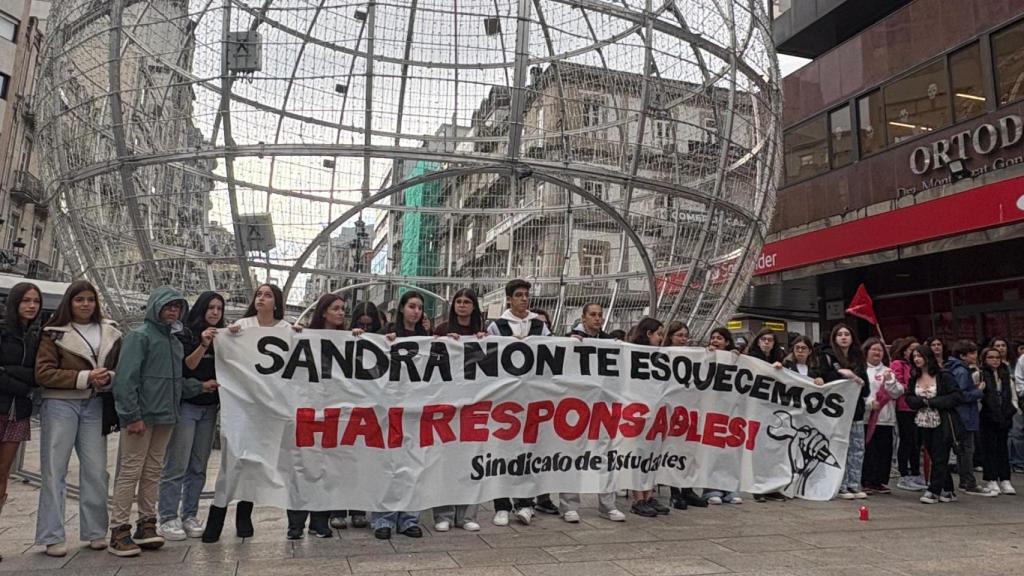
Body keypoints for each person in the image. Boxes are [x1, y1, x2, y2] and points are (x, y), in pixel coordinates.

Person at [107, 287, 219, 557]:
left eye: (177, 307)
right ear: (155, 307)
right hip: (142, 417)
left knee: (153, 471)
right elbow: (125, 380)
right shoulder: (139, 337)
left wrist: (199, 387)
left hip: (166, 417)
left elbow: (175, 383)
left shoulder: (174, 342)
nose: (172, 311)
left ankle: (146, 525)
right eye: (168, 306)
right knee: (130, 471)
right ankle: (118, 529)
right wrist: (131, 415)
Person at [34, 280, 122, 558]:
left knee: (96, 470)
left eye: (90, 300)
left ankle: (96, 531)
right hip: (60, 404)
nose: (85, 304)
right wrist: (84, 377)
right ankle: (51, 535)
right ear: (69, 302)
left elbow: (120, 368)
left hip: (95, 404)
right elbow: (43, 373)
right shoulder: (53, 333)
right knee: (53, 470)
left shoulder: (111, 332)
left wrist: (108, 378)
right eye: (79, 299)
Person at [203, 284, 292, 543]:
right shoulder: (242, 327)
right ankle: (216, 516)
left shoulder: (287, 330)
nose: (261, 299)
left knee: (257, 460)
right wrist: (225, 337)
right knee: (233, 459)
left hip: (271, 410)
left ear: (276, 303)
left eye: (267, 295)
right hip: (242, 407)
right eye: (259, 294)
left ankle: (245, 514)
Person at [486, 279, 551, 526]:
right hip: (505, 399)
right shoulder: (497, 327)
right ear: (509, 299)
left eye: (527, 295)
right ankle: (501, 505)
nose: (524, 299)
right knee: (501, 452)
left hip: (532, 397)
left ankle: (525, 503)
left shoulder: (539, 326)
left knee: (528, 450)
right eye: (519, 295)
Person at [556, 303, 626, 523]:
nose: (598, 319)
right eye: (593, 315)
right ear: (583, 317)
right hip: (576, 405)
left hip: (602, 406)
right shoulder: (570, 339)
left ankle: (607, 504)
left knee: (606, 454)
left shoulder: (609, 342)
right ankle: (568, 505)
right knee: (573, 453)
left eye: (600, 316)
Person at [373, 290, 427, 540]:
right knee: (386, 465)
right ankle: (382, 518)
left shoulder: (428, 339)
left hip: (416, 410)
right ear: (402, 308)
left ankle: (408, 518)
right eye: (412, 306)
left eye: (419, 307)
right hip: (388, 409)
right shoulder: (385, 335)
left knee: (413, 466)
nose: (416, 311)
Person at [429, 288, 484, 533]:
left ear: (474, 307)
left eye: (467, 302)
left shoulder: (483, 334)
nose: (462, 305)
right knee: (445, 460)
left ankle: (467, 515)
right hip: (447, 403)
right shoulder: (441, 331)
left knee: (471, 460)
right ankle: (443, 514)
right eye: (458, 301)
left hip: (474, 404)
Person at [0, 282, 42, 561]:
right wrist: (24, 382)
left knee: (2, 475)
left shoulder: (39, 338)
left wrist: (10, 373)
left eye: (35, 301)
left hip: (18, 413)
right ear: (15, 303)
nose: (31, 306)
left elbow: (39, 375)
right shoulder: (2, 332)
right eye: (25, 300)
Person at [904, 344, 962, 504]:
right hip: (922, 422)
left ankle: (933, 489)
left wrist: (933, 402)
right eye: (914, 356)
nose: (917, 359)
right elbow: (909, 398)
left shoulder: (943, 376)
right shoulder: (914, 378)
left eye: (920, 356)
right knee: (932, 454)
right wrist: (921, 402)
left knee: (940, 455)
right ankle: (948, 489)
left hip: (942, 421)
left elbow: (957, 396)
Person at [626, 317, 670, 517]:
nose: (661, 338)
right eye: (659, 334)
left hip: (654, 412)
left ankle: (648, 494)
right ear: (648, 334)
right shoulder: (631, 354)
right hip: (636, 412)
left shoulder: (661, 356)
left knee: (652, 453)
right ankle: (638, 498)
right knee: (638, 454)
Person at [821, 323, 869, 500]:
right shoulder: (827, 357)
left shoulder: (859, 359)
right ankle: (841, 484)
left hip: (855, 411)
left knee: (857, 448)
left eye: (846, 334)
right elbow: (825, 380)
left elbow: (865, 389)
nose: (843, 337)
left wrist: (854, 377)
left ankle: (855, 484)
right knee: (839, 447)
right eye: (839, 334)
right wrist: (842, 376)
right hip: (836, 412)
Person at [662, 321, 708, 510]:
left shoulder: (693, 355)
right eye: (679, 335)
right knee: (673, 449)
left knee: (688, 449)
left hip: (689, 409)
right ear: (670, 337)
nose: (683, 339)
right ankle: (675, 493)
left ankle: (687, 489)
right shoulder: (663, 355)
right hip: (671, 409)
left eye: (685, 335)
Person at [946, 339, 997, 497]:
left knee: (963, 449)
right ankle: (969, 482)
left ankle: (964, 480)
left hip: (961, 415)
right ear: (963, 355)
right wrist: (977, 391)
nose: (975, 356)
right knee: (967, 450)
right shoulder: (961, 371)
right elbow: (960, 395)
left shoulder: (955, 368)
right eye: (972, 353)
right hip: (964, 415)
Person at [702, 326, 744, 505]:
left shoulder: (737, 359)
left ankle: (730, 488)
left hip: (730, 410)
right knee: (712, 450)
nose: (715, 341)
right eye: (713, 337)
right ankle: (711, 488)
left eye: (719, 338)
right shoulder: (705, 355)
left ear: (727, 342)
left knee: (730, 450)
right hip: (711, 409)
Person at [861, 337, 903, 495]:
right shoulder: (861, 369)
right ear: (866, 351)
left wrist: (890, 381)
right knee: (869, 450)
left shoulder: (888, 370)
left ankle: (879, 481)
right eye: (874, 349)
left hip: (885, 418)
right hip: (867, 417)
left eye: (880, 350)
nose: (877, 352)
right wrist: (869, 403)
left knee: (884, 451)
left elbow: (897, 392)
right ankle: (867, 480)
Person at [978, 346, 1017, 495]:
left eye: (997, 357)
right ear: (984, 359)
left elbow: (1012, 394)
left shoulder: (1005, 375)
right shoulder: (979, 374)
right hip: (987, 416)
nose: (994, 360)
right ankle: (991, 478)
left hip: (1004, 415)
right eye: (990, 357)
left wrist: (1012, 409)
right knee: (989, 448)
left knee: (1002, 448)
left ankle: (1005, 479)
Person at [890, 337, 927, 492]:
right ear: (904, 350)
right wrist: (913, 388)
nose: (914, 352)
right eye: (911, 349)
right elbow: (898, 383)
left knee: (917, 442)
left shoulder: (917, 366)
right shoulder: (898, 364)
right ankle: (904, 474)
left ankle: (916, 472)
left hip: (918, 406)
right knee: (907, 440)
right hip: (905, 406)